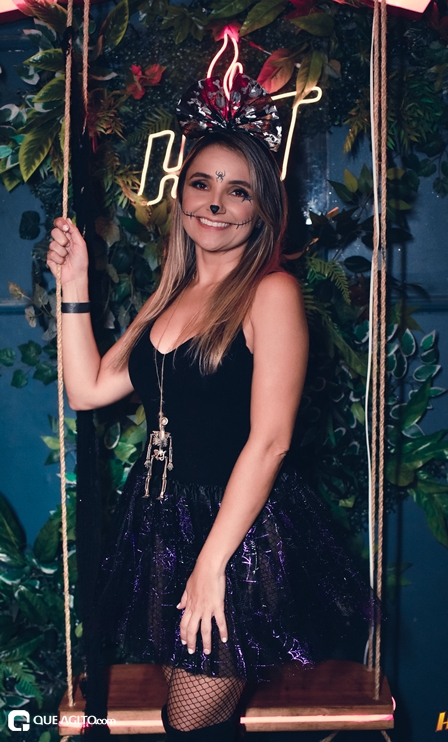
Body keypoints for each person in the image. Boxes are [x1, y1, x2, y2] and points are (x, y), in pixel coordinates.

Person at [47, 78, 377, 741]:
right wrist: (74, 285)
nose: (216, 203)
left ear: (263, 211)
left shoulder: (270, 293)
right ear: (181, 197)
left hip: (238, 536)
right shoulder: (169, 294)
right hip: (165, 522)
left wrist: (211, 565)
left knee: (191, 723)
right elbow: (88, 390)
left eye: (239, 191)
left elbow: (270, 441)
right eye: (202, 184)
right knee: (191, 720)